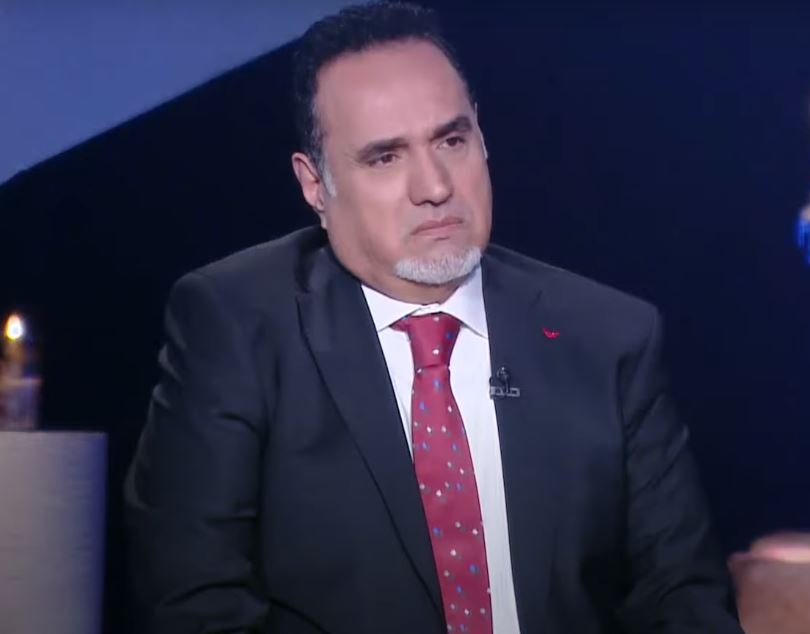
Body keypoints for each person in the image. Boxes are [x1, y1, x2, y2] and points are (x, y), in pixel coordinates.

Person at [124, 2, 744, 633]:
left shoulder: (609, 338)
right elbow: (196, 605)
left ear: (482, 137)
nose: (435, 186)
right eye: (385, 157)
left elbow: (683, 602)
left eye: (451, 140)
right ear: (315, 185)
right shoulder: (237, 324)